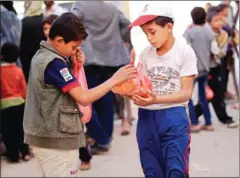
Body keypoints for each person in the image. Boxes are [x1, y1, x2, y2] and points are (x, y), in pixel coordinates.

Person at [23, 12, 136, 177]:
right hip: (55, 142)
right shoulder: (54, 63)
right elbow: (83, 98)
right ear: (60, 41)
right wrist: (114, 80)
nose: (75, 51)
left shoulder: (45, 56)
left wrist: (75, 66)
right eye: (74, 47)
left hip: (51, 137)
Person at [128, 4, 198, 178]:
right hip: (146, 119)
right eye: (145, 34)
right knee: (152, 172)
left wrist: (155, 99)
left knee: (176, 170)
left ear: (169, 27)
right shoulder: (145, 53)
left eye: (152, 32)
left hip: (174, 117)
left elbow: (186, 93)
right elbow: (141, 87)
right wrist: (129, 83)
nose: (149, 38)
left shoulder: (184, 52)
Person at [71, 1, 132, 154]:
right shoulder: (112, 8)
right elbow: (127, 25)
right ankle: (105, 137)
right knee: (106, 100)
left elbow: (71, 22)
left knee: (86, 101)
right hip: (111, 58)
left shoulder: (81, 6)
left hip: (90, 58)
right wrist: (120, 40)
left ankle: (101, 139)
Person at [194, 8, 239, 128]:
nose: (219, 22)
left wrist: (215, 51)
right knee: (213, 95)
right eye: (216, 20)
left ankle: (192, 116)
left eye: (220, 20)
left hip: (215, 67)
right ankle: (225, 119)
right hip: (204, 69)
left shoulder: (223, 34)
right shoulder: (205, 34)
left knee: (212, 95)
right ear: (209, 22)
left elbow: (222, 53)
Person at [184, 7, 216, 132]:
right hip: (205, 69)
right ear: (205, 17)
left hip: (193, 69)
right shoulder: (209, 32)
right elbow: (215, 50)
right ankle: (208, 123)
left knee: (189, 97)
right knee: (203, 97)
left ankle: (195, 123)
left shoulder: (190, 33)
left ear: (192, 18)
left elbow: (186, 49)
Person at [0, 43, 31, 163]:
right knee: (21, 129)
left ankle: (13, 155)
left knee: (8, 131)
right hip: (20, 104)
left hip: (5, 106)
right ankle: (25, 152)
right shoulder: (18, 71)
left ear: (2, 56)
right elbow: (24, 90)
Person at [20, 1, 46, 81]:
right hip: (42, 58)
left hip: (26, 60)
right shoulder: (44, 21)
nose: (24, 5)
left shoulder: (24, 22)